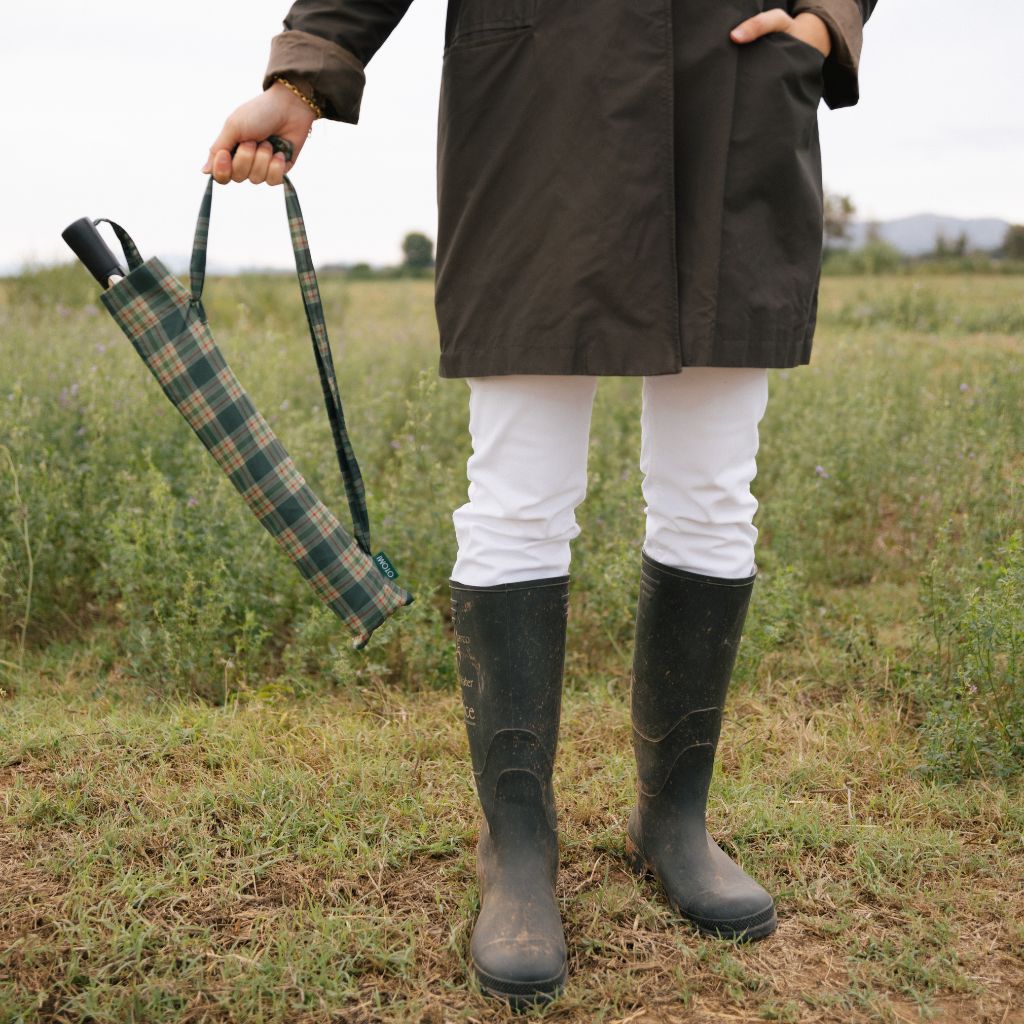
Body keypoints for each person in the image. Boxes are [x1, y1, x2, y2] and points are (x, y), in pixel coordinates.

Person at [203, 0, 877, 1007]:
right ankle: (517, 849)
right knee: (516, 495)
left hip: (731, 91)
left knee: (711, 495)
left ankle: (672, 820)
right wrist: (305, 74)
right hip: (538, 103)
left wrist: (826, 14)